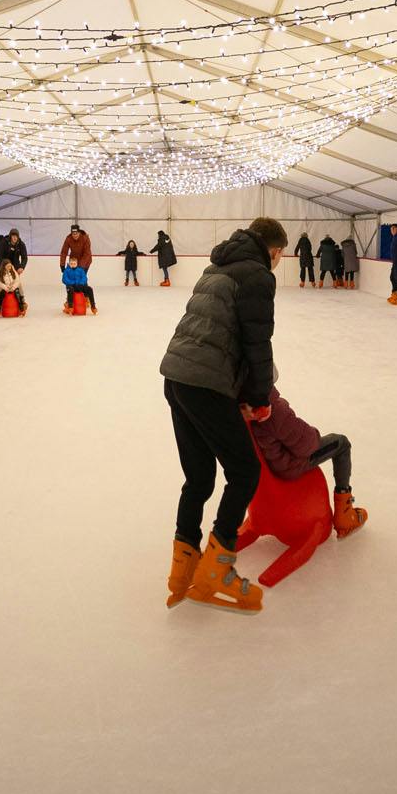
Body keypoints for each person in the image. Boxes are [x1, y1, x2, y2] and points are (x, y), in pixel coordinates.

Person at [159, 217, 287, 615]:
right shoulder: (258, 275)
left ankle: (182, 570)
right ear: (274, 251)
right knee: (244, 471)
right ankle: (217, 569)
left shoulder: (217, 266)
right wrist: (258, 398)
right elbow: (256, 343)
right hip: (205, 383)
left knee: (199, 478)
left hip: (176, 377)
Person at [245, 386, 367, 538]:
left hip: (273, 463)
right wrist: (314, 434)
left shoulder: (245, 408)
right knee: (341, 444)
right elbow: (306, 444)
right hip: (291, 464)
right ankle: (345, 513)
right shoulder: (272, 411)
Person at [59, 223, 92, 311]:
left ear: (79, 232)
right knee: (70, 279)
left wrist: (80, 267)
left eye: (76, 233)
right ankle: (70, 299)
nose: (75, 236)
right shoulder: (68, 238)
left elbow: (87, 253)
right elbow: (64, 252)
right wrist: (62, 264)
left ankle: (86, 298)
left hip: (85, 261)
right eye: (73, 234)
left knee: (82, 278)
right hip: (73, 261)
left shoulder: (85, 238)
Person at [0, 228, 28, 312]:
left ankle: (22, 300)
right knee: (2, 282)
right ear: (10, 236)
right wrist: (3, 267)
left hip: (14, 265)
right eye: (13, 236)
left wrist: (21, 267)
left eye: (16, 236)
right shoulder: (4, 243)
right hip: (2, 264)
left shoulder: (21, 244)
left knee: (17, 282)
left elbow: (24, 257)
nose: (15, 238)